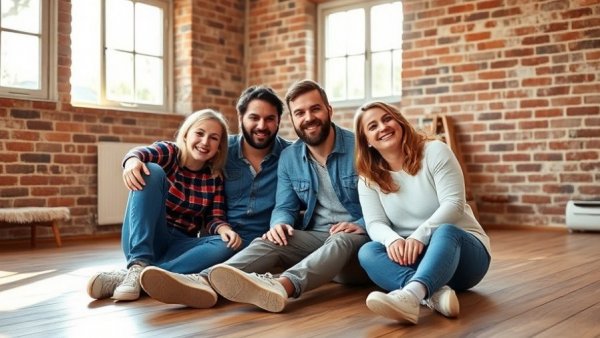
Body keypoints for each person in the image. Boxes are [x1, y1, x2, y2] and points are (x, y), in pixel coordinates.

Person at [139, 79, 369, 312]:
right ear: (293, 118)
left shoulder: (360, 148)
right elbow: (285, 206)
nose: (308, 117)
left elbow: (386, 202)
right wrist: (280, 224)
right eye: (300, 112)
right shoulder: (289, 156)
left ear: (329, 110)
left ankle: (281, 286)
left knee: (340, 238)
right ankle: (203, 281)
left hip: (358, 238)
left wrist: (360, 224)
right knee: (272, 239)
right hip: (314, 238)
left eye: (315, 109)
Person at [137, 85, 291, 308]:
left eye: (270, 119)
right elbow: (170, 152)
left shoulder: (291, 155)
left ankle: (149, 276)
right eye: (254, 117)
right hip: (216, 238)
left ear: (278, 121)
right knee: (151, 171)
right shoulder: (221, 149)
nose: (261, 126)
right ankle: (145, 270)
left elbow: (293, 202)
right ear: (240, 117)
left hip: (254, 242)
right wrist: (132, 159)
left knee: (227, 248)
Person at [353, 101, 492, 324]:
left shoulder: (435, 150)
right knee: (367, 251)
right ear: (366, 142)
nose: (383, 127)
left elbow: (454, 203)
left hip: (466, 256)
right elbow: (375, 223)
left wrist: (420, 234)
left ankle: (409, 296)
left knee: (445, 231)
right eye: (372, 126)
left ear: (399, 121)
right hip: (416, 258)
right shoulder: (368, 178)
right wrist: (392, 240)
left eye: (387, 119)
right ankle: (432, 293)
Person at [86, 109, 241, 302]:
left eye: (213, 138)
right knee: (151, 169)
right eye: (199, 133)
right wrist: (131, 161)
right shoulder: (169, 152)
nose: (205, 142)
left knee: (227, 243)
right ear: (185, 135)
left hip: (178, 246)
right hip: (146, 236)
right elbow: (140, 153)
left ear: (219, 147)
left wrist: (223, 228)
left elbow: (214, 217)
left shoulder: (214, 176)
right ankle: (138, 263)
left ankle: (141, 277)